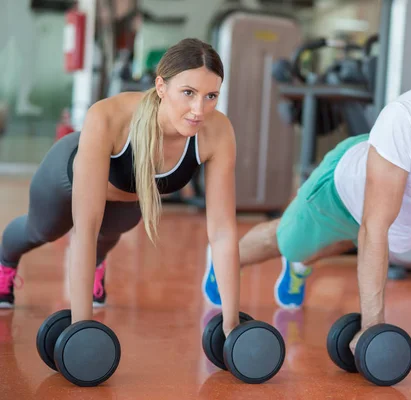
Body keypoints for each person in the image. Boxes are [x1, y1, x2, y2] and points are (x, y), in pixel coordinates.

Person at [202, 27, 411, 351]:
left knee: (347, 241)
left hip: (391, 217)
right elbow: (374, 226)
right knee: (288, 242)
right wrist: (372, 328)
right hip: (344, 189)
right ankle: (223, 261)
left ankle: (301, 264)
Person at [0, 38, 241, 337]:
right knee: (41, 231)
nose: (198, 110)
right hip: (65, 180)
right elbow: (84, 228)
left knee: (113, 229)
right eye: (188, 93)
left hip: (127, 200)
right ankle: (5, 263)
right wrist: (81, 330)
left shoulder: (217, 133)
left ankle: (96, 267)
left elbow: (222, 232)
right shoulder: (110, 116)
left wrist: (232, 328)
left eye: (211, 96)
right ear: (162, 87)